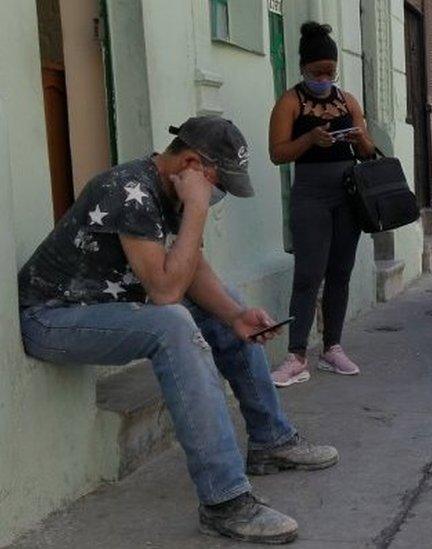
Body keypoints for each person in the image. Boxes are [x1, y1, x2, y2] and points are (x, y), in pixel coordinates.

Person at [17, 116, 336, 544]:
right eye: (217, 184)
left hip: (101, 308)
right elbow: (166, 291)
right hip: (51, 318)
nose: (217, 196)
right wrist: (199, 208)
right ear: (190, 163)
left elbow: (192, 270)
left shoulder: (168, 190)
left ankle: (270, 440)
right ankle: (224, 501)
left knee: (223, 305)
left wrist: (235, 317)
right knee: (171, 324)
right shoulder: (127, 191)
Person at [268, 21, 376, 387]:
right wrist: (311, 140)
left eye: (330, 71)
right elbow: (277, 153)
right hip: (310, 196)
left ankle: (333, 347)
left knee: (340, 272)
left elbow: (369, 152)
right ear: (304, 69)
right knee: (308, 274)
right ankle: (296, 355)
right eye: (318, 72)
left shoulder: (347, 101)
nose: (325, 77)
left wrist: (359, 137)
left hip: (348, 196)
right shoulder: (290, 102)